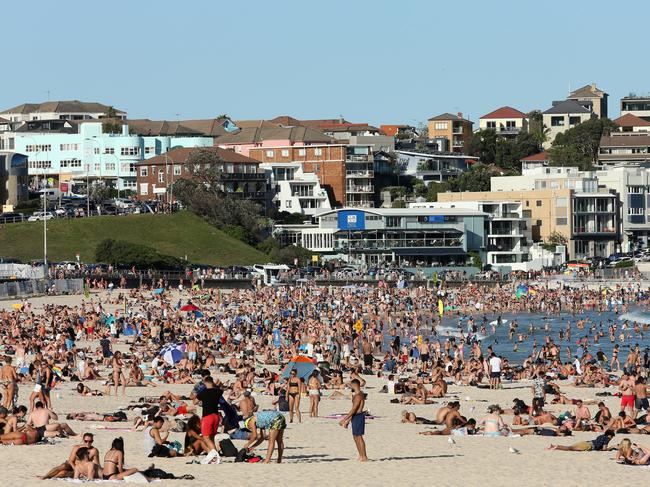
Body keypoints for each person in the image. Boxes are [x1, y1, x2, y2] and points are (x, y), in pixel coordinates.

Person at [339, 378, 368, 462]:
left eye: (351, 385)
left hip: (358, 416)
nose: (350, 386)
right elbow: (354, 410)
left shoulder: (358, 396)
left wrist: (344, 419)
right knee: (355, 437)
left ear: (355, 385)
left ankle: (364, 456)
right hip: (355, 416)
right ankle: (361, 455)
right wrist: (348, 420)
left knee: (359, 437)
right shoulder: (357, 395)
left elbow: (354, 409)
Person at [195, 376, 223, 449]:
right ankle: (212, 454)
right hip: (216, 416)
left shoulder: (203, 392)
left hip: (207, 416)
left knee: (206, 437)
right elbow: (220, 389)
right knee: (212, 437)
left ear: (205, 382)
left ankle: (215, 454)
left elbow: (194, 402)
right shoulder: (218, 391)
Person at [548, 430, 615, 451]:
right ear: (610, 436)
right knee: (570, 448)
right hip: (589, 446)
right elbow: (604, 449)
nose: (611, 438)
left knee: (570, 447)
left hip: (587, 442)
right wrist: (612, 447)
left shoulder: (601, 436)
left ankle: (555, 446)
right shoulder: (607, 438)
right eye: (612, 437)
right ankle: (556, 447)